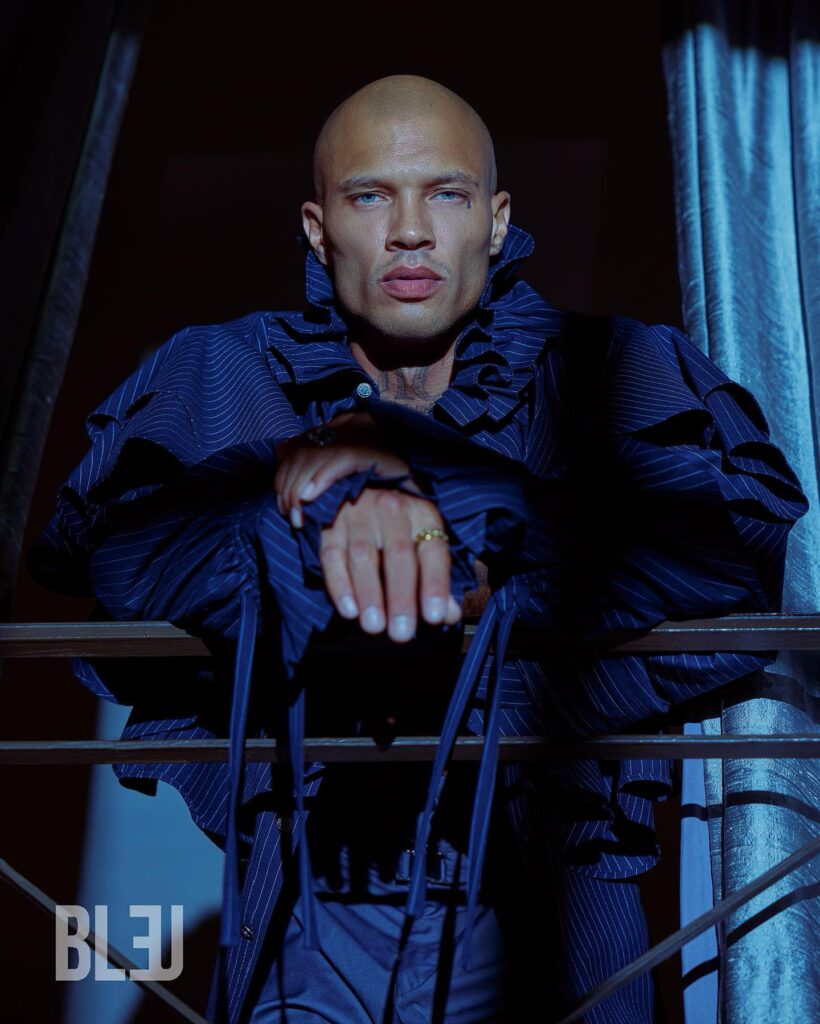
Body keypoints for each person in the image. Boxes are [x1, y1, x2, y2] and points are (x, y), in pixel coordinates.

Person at [27, 75, 808, 1024]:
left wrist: (430, 483)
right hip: (307, 906)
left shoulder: (607, 371)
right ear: (318, 229)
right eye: (370, 197)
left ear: (495, 220)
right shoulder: (222, 373)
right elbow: (116, 559)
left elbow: (736, 548)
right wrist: (310, 501)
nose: (409, 232)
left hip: (551, 912)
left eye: (446, 194)